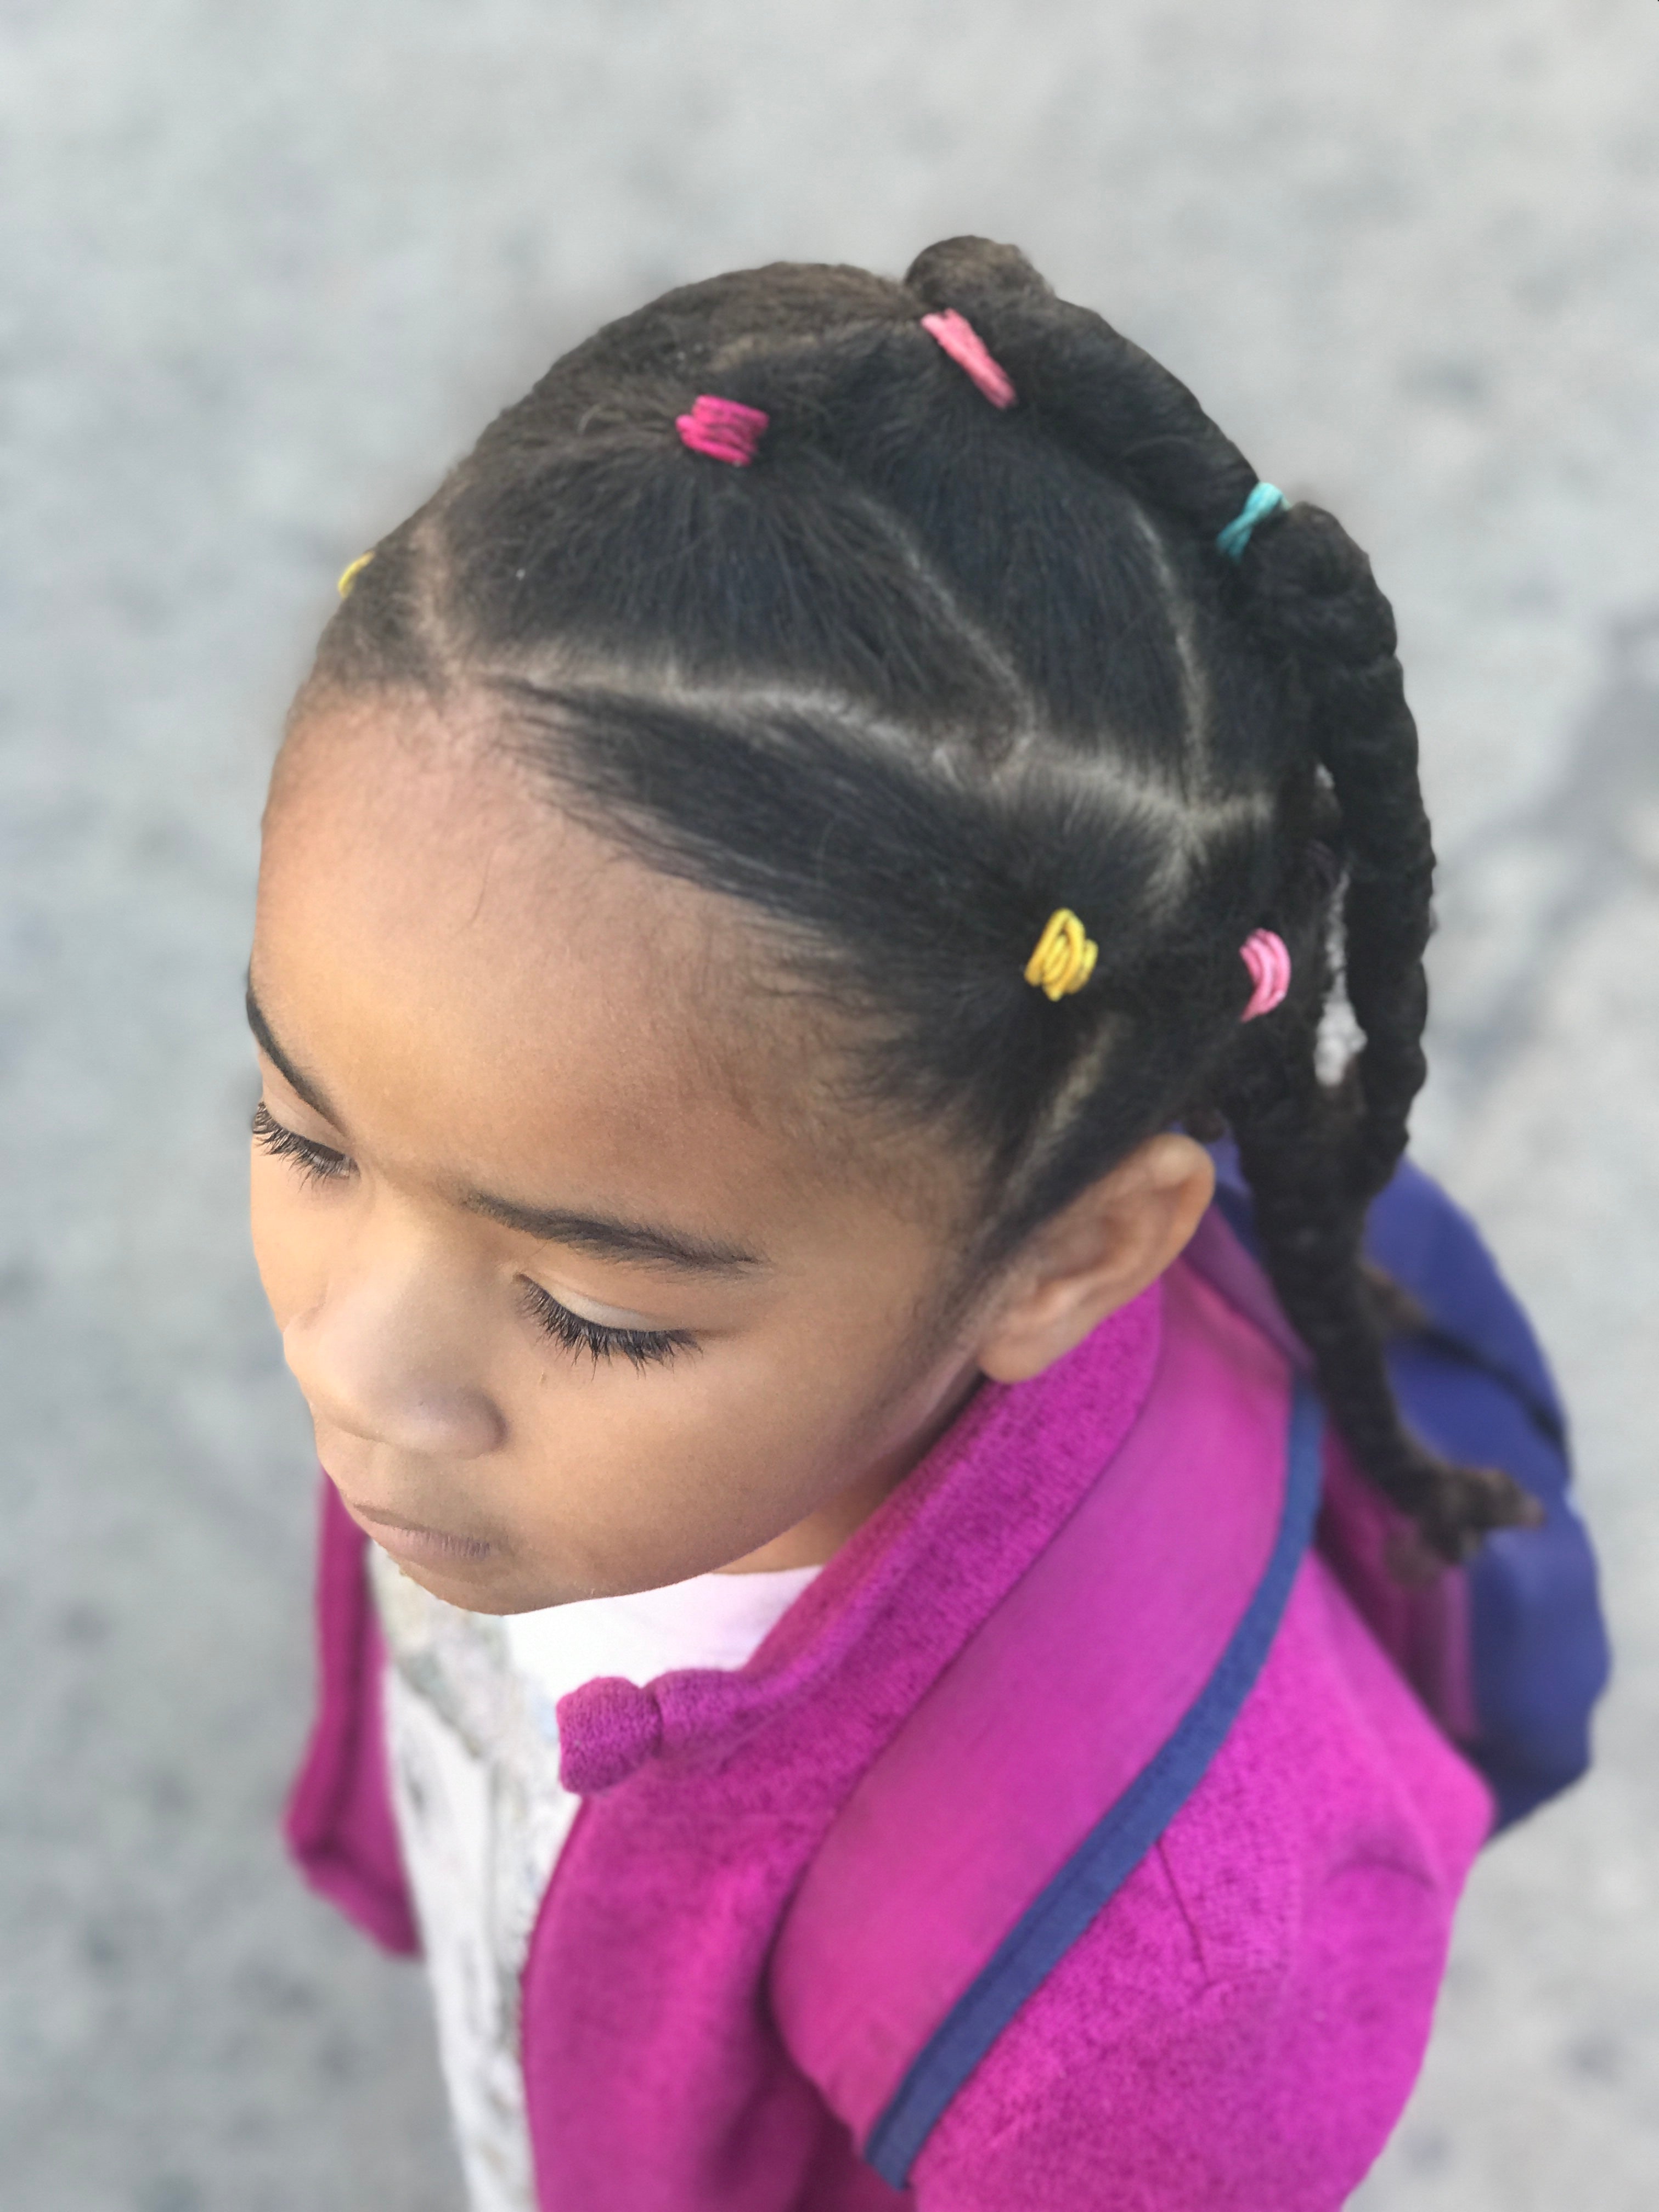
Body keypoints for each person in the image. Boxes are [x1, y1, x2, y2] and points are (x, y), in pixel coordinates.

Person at [253, 239, 1542, 2211]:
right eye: (304, 1136)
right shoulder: (539, 1353)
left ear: (1070, 1259)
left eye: (594, 1314)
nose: (359, 1371)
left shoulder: (1153, 2000)